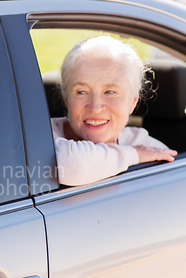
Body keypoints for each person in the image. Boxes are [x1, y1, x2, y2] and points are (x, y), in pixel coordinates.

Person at [51, 35, 178, 186]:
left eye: (110, 92)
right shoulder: (42, 136)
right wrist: (134, 154)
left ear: (133, 101)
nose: (95, 107)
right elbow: (70, 167)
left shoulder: (151, 149)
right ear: (66, 99)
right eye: (81, 92)